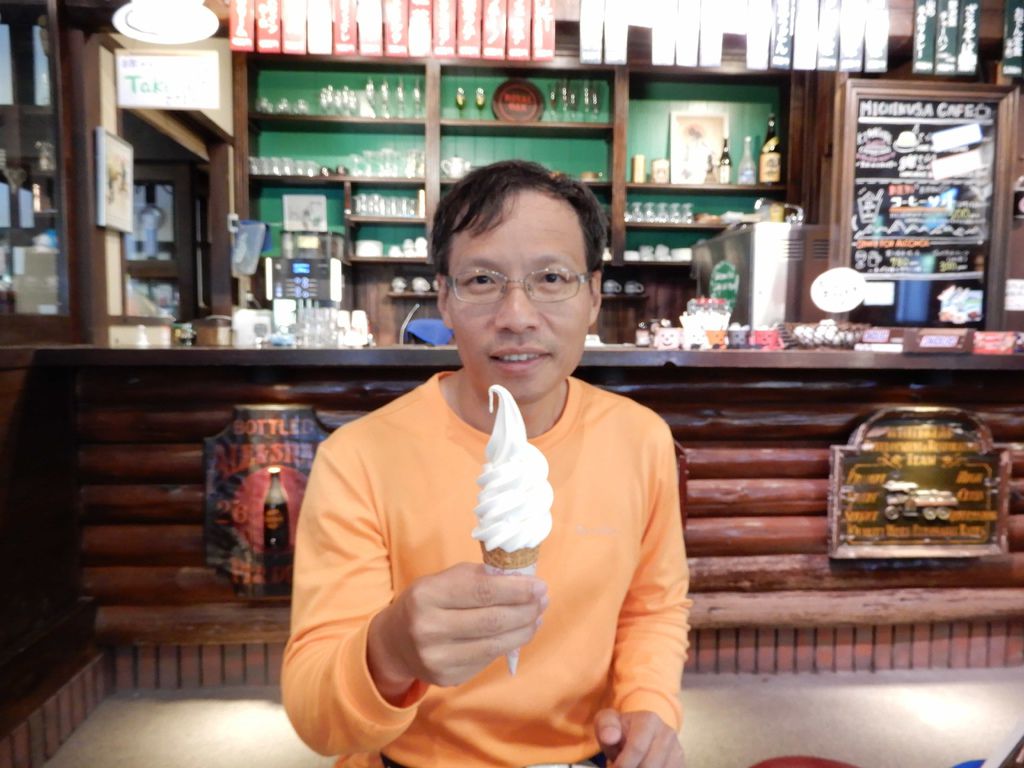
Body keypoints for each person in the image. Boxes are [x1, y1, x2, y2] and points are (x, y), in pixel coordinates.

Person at [282, 160, 691, 768]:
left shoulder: (640, 438)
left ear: (593, 296)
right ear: (444, 299)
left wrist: (648, 705)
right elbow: (318, 719)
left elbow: (652, 607)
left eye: (551, 277)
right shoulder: (359, 458)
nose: (517, 315)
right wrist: (388, 651)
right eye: (481, 280)